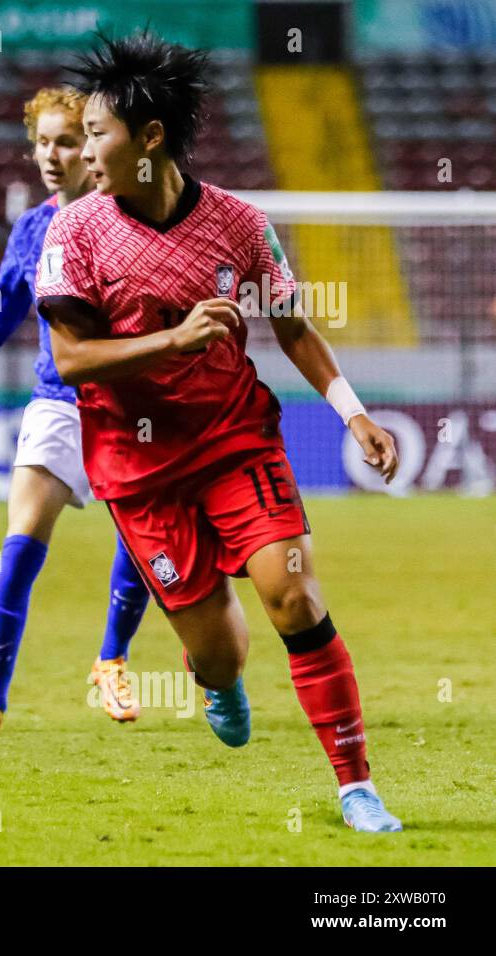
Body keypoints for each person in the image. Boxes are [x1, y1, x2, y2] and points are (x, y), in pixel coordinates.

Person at [37, 32, 403, 831]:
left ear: (151, 136)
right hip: (137, 467)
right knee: (221, 653)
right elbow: (70, 359)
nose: (85, 153)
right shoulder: (75, 234)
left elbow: (294, 327)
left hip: (237, 441)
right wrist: (173, 341)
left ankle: (356, 785)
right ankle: (216, 678)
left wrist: (353, 411)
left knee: (295, 597)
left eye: (98, 134)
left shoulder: (241, 224)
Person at [0, 87, 150, 735]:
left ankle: (111, 657)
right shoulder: (32, 229)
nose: (51, 155)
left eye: (66, 142)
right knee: (19, 546)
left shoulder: (130, 219)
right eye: (43, 142)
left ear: (94, 148)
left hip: (127, 404)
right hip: (57, 403)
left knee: (140, 537)